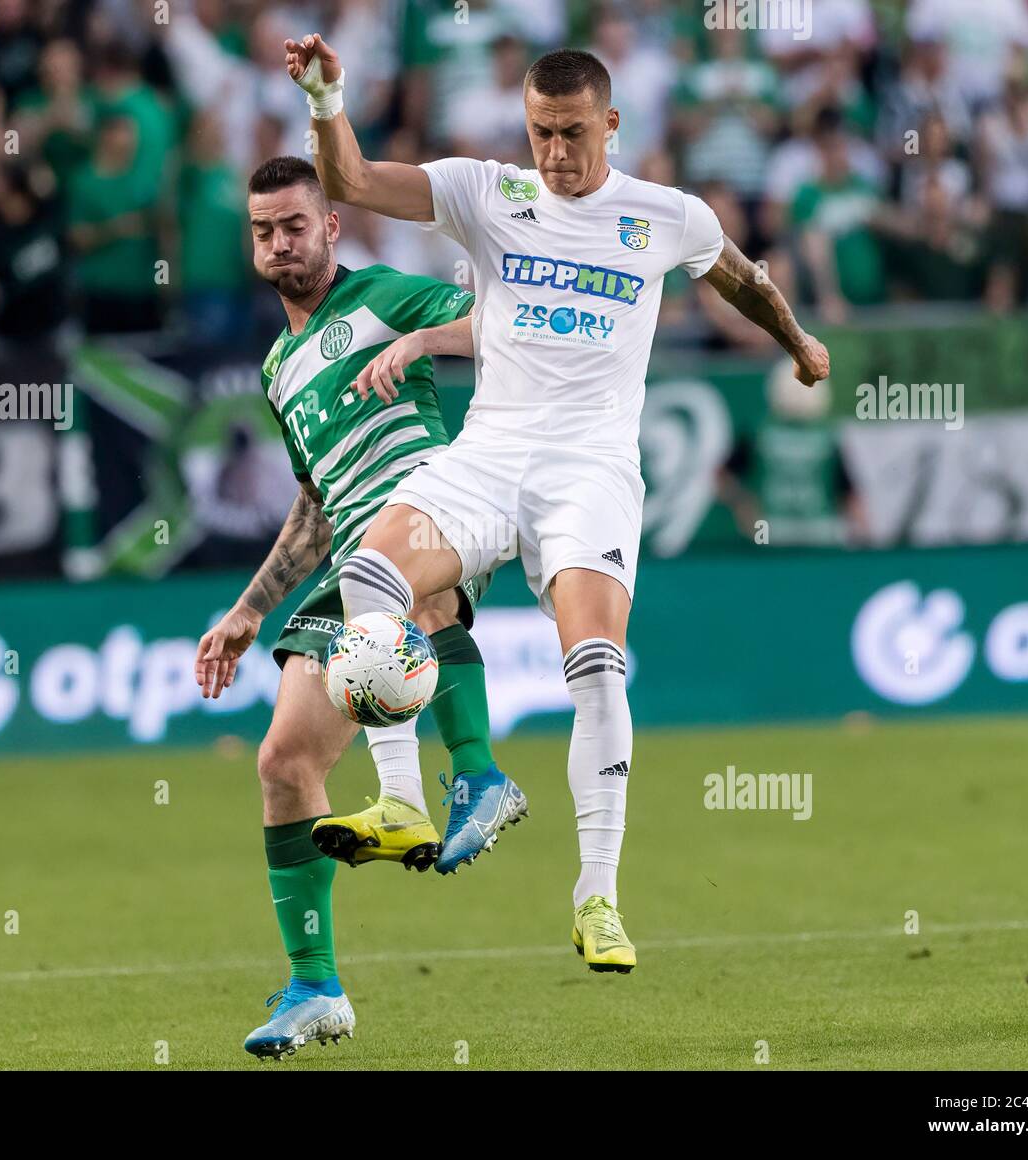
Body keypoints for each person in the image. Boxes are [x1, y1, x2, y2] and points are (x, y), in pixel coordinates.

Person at [285, 33, 830, 973]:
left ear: (612, 124)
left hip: (590, 470)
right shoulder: (490, 193)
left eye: (572, 134)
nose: (554, 154)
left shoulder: (667, 216)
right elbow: (357, 182)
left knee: (598, 669)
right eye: (540, 132)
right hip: (489, 453)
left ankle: (597, 897)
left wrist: (797, 340)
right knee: (369, 572)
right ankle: (406, 798)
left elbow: (742, 276)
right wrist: (327, 98)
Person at [193, 155, 520, 1059]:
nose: (279, 243)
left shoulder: (381, 295)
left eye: (295, 225)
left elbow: (502, 325)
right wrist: (252, 607)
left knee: (406, 608)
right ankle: (316, 988)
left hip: (430, 514)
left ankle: (477, 776)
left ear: (332, 226)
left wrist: (420, 343)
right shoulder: (277, 365)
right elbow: (314, 502)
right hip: (350, 555)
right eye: (263, 231)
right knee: (283, 763)